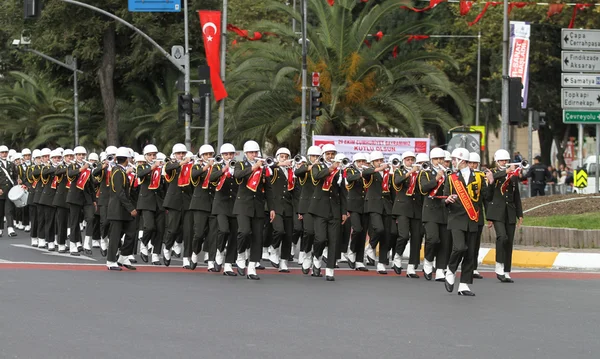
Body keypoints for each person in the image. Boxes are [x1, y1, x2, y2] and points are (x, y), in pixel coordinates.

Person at [443, 147, 482, 296]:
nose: (452, 162)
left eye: (454, 159)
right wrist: (447, 200)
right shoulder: (451, 178)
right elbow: (445, 198)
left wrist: (490, 183)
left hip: (472, 219)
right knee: (459, 247)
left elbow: (485, 197)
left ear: (462, 160)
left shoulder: (479, 177)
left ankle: (464, 285)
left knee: (470, 253)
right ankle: (451, 270)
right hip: (456, 218)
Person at [233, 140, 274, 280]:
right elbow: (237, 176)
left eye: (255, 152)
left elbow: (268, 189)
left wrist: (272, 208)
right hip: (243, 205)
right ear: (246, 153)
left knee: (258, 237)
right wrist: (253, 168)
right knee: (244, 232)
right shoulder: (240, 164)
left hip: (258, 206)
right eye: (251, 152)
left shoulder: (263, 168)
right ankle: (240, 255)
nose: (254, 154)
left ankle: (251, 267)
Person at [487, 149, 524, 283]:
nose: (505, 163)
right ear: (497, 161)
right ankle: (499, 265)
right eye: (502, 160)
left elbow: (516, 195)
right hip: (496, 212)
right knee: (501, 237)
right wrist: (506, 172)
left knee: (509, 241)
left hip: (510, 211)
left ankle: (507, 270)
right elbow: (492, 179)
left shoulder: (512, 175)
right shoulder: (493, 172)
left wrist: (520, 214)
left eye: (506, 161)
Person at [308, 143, 343, 281]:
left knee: (333, 241)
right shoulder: (317, 166)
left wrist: (344, 211)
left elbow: (343, 192)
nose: (330, 156)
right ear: (323, 155)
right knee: (321, 238)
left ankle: (330, 270)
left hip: (334, 209)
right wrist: (331, 168)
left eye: (332, 153)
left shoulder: (340, 169)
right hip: (319, 208)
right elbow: (317, 177)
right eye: (328, 153)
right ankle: (316, 258)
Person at [418, 148, 451, 281]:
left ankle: (440, 270)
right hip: (430, 210)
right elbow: (423, 188)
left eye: (441, 159)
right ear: (431, 160)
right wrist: (436, 178)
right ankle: (428, 261)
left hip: (444, 209)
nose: (439, 161)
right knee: (433, 238)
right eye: (437, 159)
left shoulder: (448, 173)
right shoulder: (425, 172)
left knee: (444, 242)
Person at [106, 147, 138, 271]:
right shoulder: (118, 172)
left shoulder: (121, 170)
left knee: (131, 232)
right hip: (117, 210)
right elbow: (119, 193)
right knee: (115, 236)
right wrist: (131, 208)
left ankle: (123, 256)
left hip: (122, 209)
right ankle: (110, 261)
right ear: (126, 159)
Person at [363, 151, 393, 275]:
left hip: (386, 206)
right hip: (374, 205)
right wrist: (378, 168)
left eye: (381, 160)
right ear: (372, 162)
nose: (380, 162)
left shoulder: (387, 173)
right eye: (377, 161)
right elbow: (365, 173)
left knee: (386, 234)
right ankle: (371, 246)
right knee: (379, 229)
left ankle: (381, 263)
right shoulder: (370, 171)